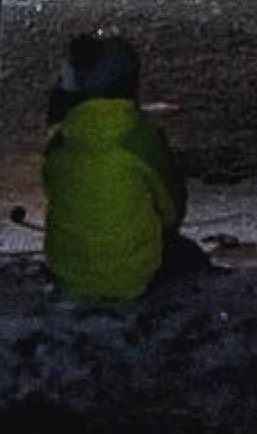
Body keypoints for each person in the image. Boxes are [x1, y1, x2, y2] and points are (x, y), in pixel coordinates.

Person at [41, 32, 203, 300]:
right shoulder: (139, 137)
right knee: (185, 255)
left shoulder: (60, 140)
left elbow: (55, 192)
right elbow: (171, 209)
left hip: (69, 279)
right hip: (135, 279)